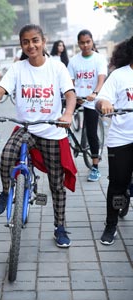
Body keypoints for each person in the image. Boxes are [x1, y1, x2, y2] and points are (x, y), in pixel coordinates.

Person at [0, 24, 77, 248]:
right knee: (7, 156)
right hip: (26, 128)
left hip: (52, 130)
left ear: (44, 41)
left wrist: (68, 113)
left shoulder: (57, 67)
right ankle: (6, 193)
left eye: (35, 40)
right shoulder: (17, 68)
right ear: (21, 45)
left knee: (56, 183)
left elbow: (70, 94)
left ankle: (60, 227)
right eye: (25, 42)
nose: (31, 45)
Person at [95, 36, 133, 245]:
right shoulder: (119, 75)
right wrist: (105, 104)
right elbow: (102, 99)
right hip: (122, 139)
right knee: (118, 184)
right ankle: (111, 224)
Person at [67, 29, 107, 182]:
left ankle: (95, 167)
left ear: (92, 41)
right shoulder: (74, 61)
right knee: (60, 120)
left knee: (91, 133)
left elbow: (101, 79)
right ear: (78, 44)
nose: (85, 45)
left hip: (93, 99)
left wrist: (95, 93)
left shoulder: (99, 59)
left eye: (87, 42)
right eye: (82, 43)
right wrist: (72, 95)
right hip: (77, 98)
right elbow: (70, 81)